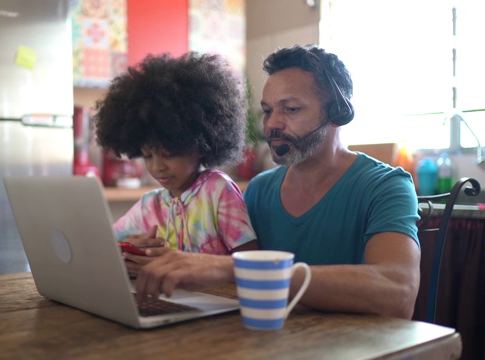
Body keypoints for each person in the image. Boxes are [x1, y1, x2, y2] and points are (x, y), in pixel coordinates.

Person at [127, 45, 421, 320]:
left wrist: (238, 269)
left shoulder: (387, 186)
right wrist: (146, 254)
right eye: (268, 111)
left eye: (291, 109)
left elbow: (399, 293)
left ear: (337, 113)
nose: (271, 125)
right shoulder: (259, 189)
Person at [93, 52, 258, 256]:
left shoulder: (217, 191)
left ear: (198, 146)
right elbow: (103, 244)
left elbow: (249, 260)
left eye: (169, 154)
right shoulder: (149, 205)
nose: (157, 166)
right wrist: (127, 245)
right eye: (147, 155)